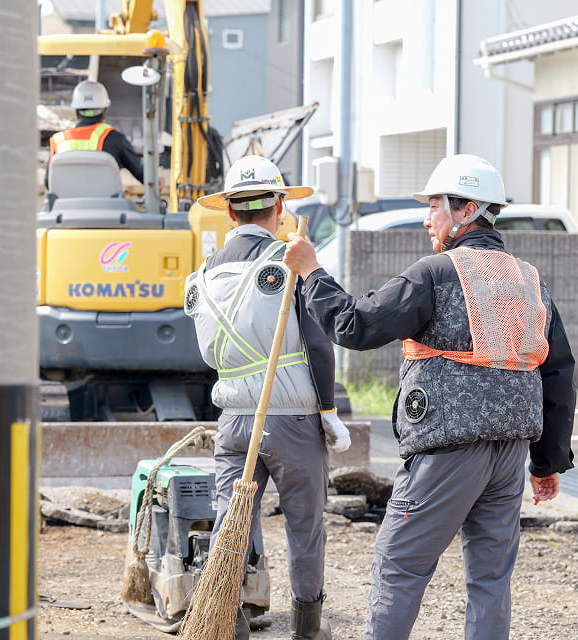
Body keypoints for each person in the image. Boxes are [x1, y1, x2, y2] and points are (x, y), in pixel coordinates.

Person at [283, 153, 576, 640]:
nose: (426, 217)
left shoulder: (436, 273)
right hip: (508, 456)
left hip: (447, 451)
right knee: (490, 578)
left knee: (400, 565)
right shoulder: (530, 279)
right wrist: (545, 464)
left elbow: (355, 325)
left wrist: (312, 272)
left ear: (466, 209)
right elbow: (558, 373)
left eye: (435, 204)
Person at [183, 155, 350, 640]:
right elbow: (318, 343)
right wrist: (329, 411)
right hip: (294, 418)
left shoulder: (203, 275)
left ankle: (226, 618)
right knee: (304, 527)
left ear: (230, 214)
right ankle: (307, 628)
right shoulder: (289, 260)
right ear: (279, 207)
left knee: (232, 523)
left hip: (234, 421)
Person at [47, 80, 144, 184]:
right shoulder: (116, 139)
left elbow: (48, 182)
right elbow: (141, 174)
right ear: (105, 110)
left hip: (65, 200)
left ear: (76, 111)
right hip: (104, 200)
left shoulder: (58, 141)